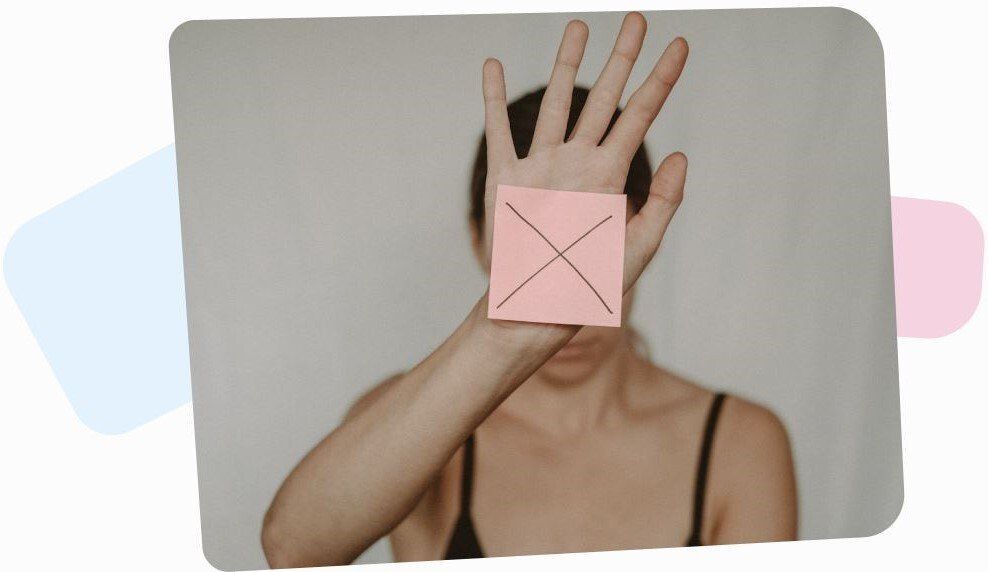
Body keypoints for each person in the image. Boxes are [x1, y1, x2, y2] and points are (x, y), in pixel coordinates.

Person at [260, 13, 797, 568]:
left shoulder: (739, 442)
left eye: (597, 243)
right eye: (532, 245)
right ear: (478, 242)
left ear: (644, 241)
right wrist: (501, 332)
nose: (573, 312)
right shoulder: (414, 422)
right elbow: (292, 547)